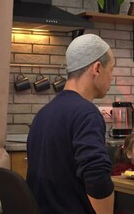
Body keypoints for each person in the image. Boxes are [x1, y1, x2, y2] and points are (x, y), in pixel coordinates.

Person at [26, 34, 116, 214]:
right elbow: (97, 178)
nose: (112, 77)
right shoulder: (87, 114)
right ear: (97, 68)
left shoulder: (44, 113)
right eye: (112, 69)